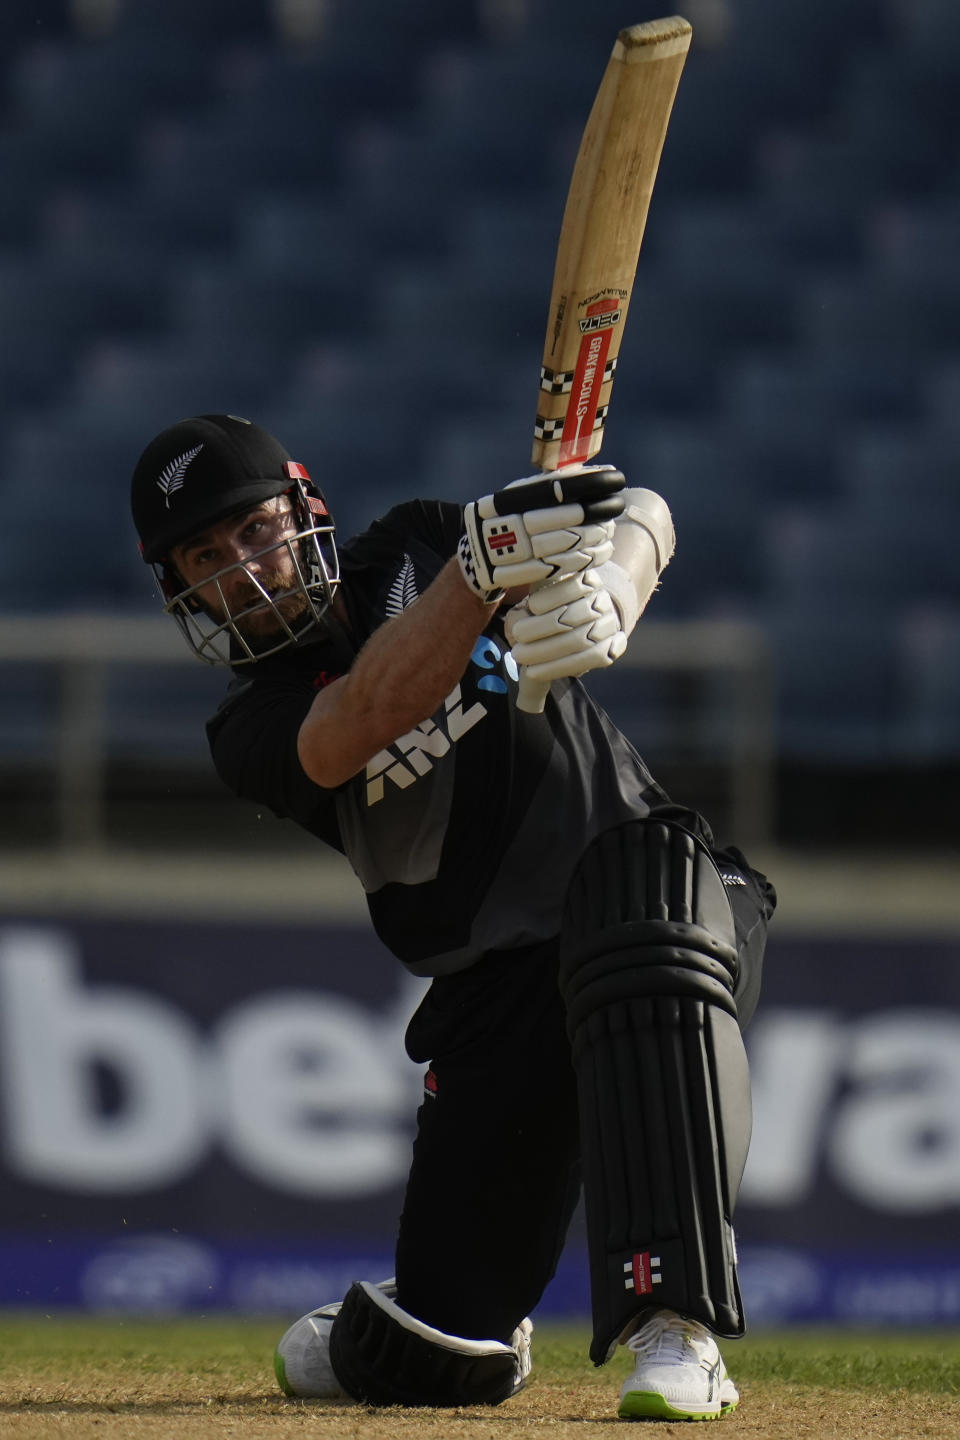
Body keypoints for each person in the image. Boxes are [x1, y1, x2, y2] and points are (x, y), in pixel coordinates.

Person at [130, 412, 775, 1422]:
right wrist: (477, 586)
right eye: (205, 558)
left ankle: (675, 1324)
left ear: (306, 514)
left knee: (642, 919)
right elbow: (358, 721)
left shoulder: (420, 542)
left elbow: (641, 510)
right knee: (442, 1351)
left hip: (659, 884)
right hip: (495, 986)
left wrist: (611, 586)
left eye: (254, 532)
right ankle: (427, 1323)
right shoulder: (250, 726)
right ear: (181, 592)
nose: (243, 571)